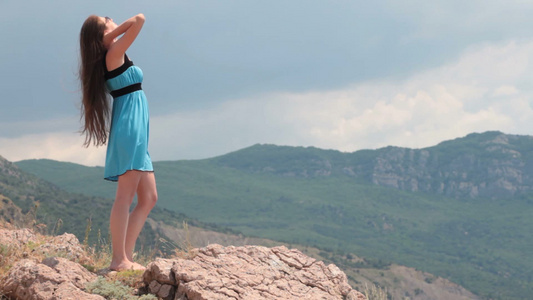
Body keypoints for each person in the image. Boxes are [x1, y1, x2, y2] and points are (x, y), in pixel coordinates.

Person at [79, 14, 157, 271]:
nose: (111, 17)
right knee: (125, 196)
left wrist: (106, 35)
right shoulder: (113, 52)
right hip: (130, 128)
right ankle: (118, 260)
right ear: (102, 36)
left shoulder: (114, 52)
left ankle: (127, 257)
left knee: (148, 198)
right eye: (106, 20)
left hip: (136, 127)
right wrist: (108, 38)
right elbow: (139, 19)